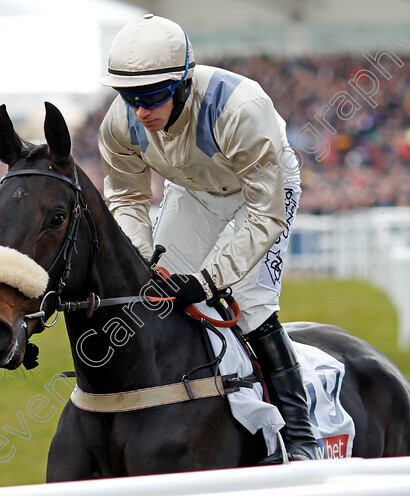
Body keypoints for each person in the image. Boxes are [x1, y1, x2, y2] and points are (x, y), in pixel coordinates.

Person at [97, 14, 317, 463]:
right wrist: (145, 262)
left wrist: (209, 280)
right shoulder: (120, 122)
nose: (141, 111)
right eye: (130, 97)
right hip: (195, 192)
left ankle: (301, 436)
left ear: (183, 82)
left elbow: (265, 214)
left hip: (261, 193)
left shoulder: (240, 108)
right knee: (153, 293)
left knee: (249, 302)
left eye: (153, 96)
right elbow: (126, 198)